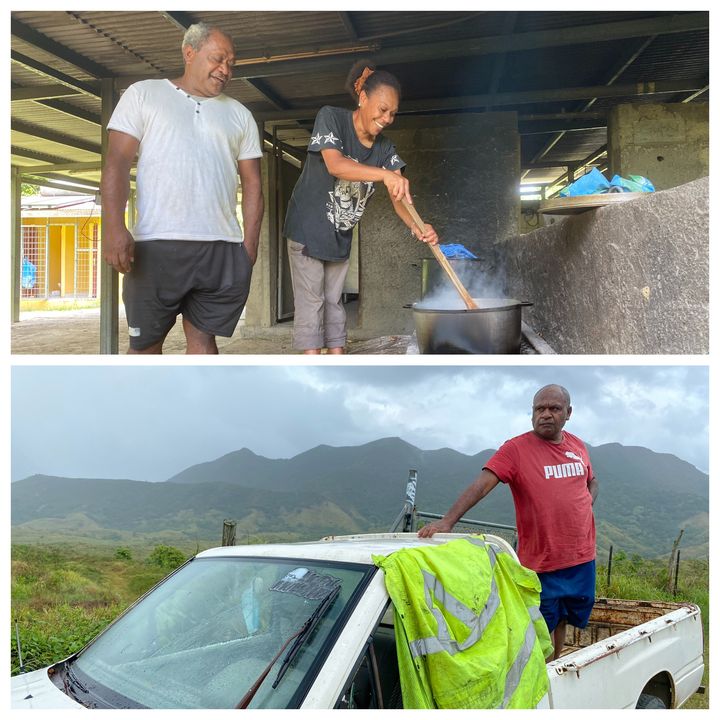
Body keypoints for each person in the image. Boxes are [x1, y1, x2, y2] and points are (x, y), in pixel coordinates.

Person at [101, 22, 264, 354]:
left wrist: (248, 246)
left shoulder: (240, 115)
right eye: (218, 59)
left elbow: (253, 184)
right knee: (145, 346)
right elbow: (116, 162)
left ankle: (200, 407)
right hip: (156, 245)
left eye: (231, 63)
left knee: (204, 341)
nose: (225, 69)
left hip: (222, 249)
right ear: (189, 53)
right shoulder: (144, 94)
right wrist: (113, 227)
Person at [418, 384, 599, 661]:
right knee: (538, 626)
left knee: (564, 618)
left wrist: (586, 505)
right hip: (542, 563)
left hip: (581, 558)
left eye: (554, 408)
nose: (546, 414)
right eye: (540, 409)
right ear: (531, 414)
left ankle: (555, 671)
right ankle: (540, 682)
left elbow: (592, 480)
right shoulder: (516, 449)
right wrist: (447, 521)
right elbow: (482, 485)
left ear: (568, 413)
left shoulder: (577, 445)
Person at [282, 60, 439, 354]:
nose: (387, 118)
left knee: (334, 302)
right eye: (382, 109)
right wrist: (384, 174)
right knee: (312, 304)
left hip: (339, 235)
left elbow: (400, 198)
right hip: (307, 229)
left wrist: (419, 226)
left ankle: (338, 360)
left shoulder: (385, 148)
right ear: (363, 98)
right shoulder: (331, 118)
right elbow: (335, 165)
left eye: (392, 113)